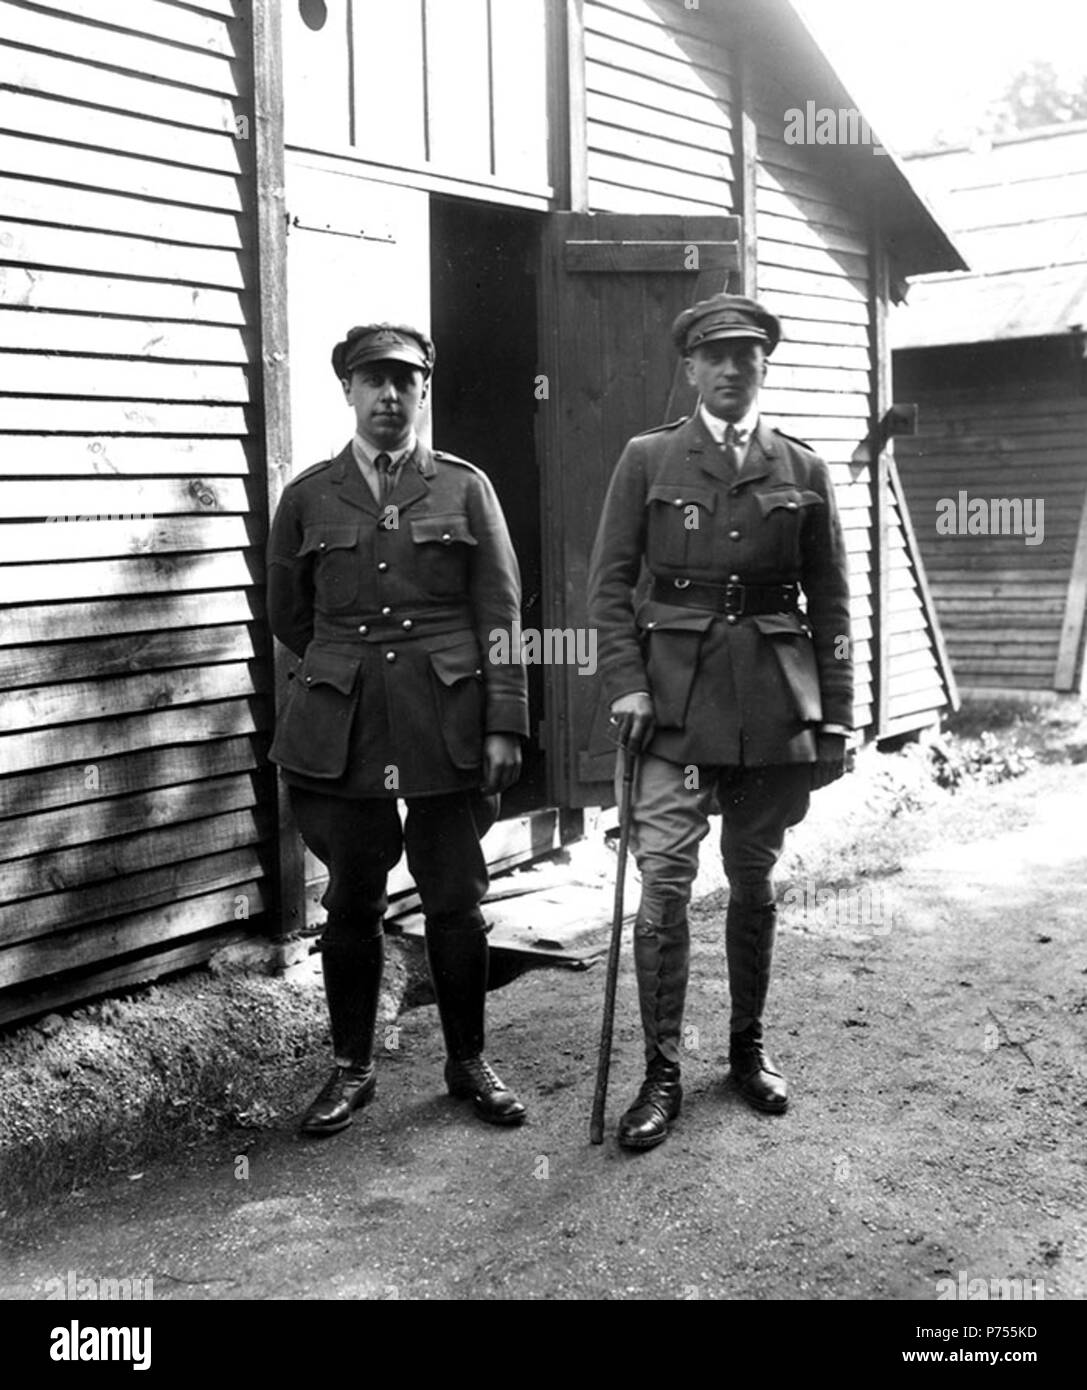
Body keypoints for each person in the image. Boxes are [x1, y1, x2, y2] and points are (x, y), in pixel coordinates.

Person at [587, 293, 854, 1150]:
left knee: (753, 879)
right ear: (691, 369)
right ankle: (660, 1071)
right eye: (716, 356)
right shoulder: (648, 458)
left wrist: (838, 719)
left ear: (763, 365)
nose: (733, 369)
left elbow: (835, 604)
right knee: (661, 886)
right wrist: (625, 684)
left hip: (775, 705)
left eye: (747, 355)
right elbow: (607, 585)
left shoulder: (802, 470)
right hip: (669, 705)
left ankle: (745, 1050)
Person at [267, 323, 528, 1136]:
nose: (388, 395)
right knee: (350, 900)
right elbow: (288, 613)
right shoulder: (308, 495)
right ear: (346, 390)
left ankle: (467, 1061)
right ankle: (352, 1068)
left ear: (423, 392)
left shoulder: (462, 487)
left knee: (455, 898)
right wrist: (345, 669)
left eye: (404, 381)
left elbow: (502, 613)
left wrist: (503, 723)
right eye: (372, 380)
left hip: (445, 719)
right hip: (344, 724)